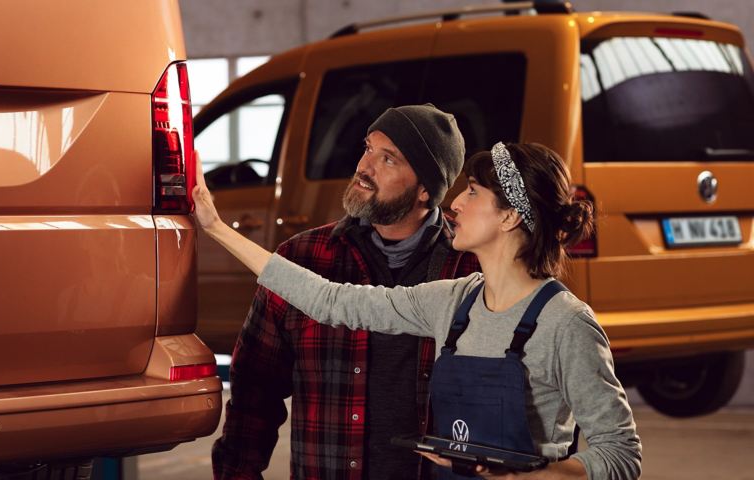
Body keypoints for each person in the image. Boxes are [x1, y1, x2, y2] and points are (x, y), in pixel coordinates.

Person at [195, 141, 642, 480]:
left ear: (508, 218)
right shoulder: (452, 301)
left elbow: (620, 451)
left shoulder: (566, 324)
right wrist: (215, 227)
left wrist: (535, 477)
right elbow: (330, 301)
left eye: (472, 192)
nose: (455, 204)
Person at [210, 104, 481, 480]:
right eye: (368, 148)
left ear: (425, 191)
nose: (364, 168)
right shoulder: (302, 258)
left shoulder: (470, 267)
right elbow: (254, 389)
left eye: (388, 159)